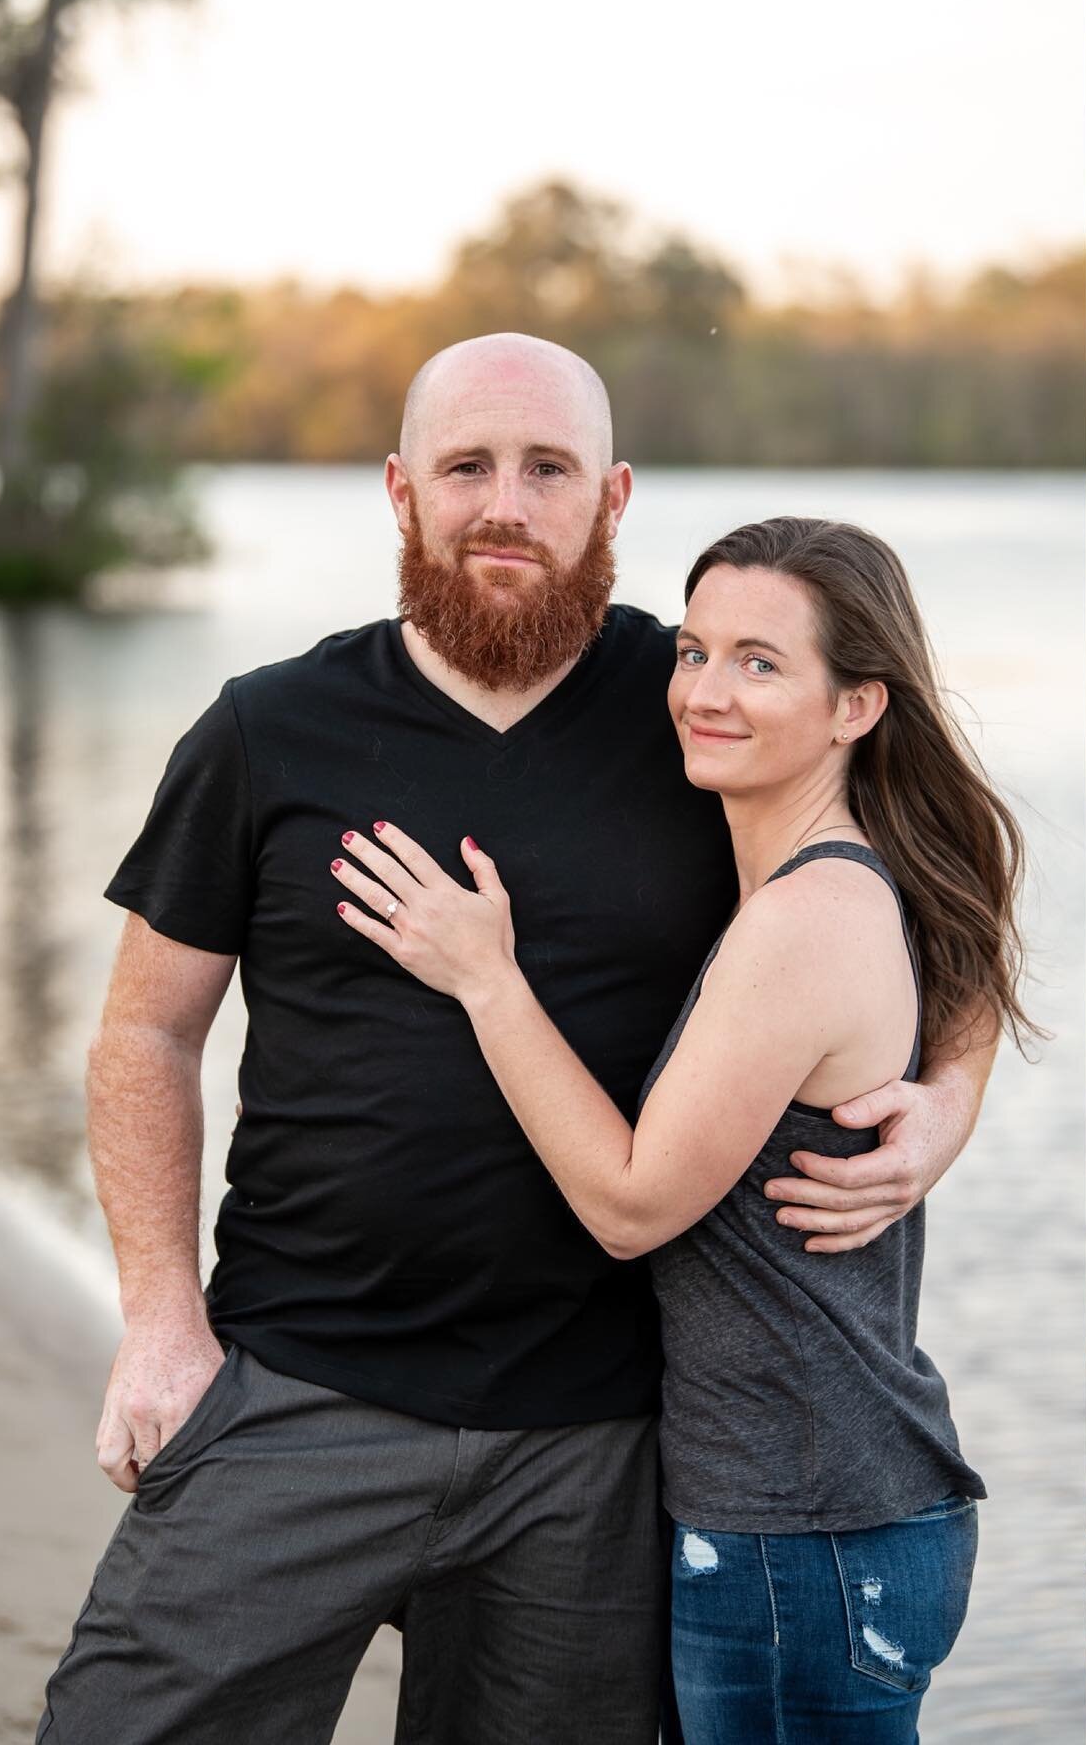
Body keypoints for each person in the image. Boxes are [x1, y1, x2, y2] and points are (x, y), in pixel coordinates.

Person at [36, 335, 996, 1745]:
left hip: (597, 1445)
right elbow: (145, 1035)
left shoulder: (693, 715)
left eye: (547, 469)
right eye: (467, 466)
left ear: (610, 498)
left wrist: (952, 1096)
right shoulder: (269, 729)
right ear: (399, 491)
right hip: (299, 1387)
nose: (506, 503)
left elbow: (933, 885)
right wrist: (161, 1325)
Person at [332, 513, 1036, 1742]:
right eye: (693, 650)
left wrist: (488, 979)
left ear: (857, 707)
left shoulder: (808, 918)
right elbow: (973, 946)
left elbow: (630, 1204)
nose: (706, 693)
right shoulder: (838, 869)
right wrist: (952, 1102)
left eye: (761, 664)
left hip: (801, 1528)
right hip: (836, 1503)